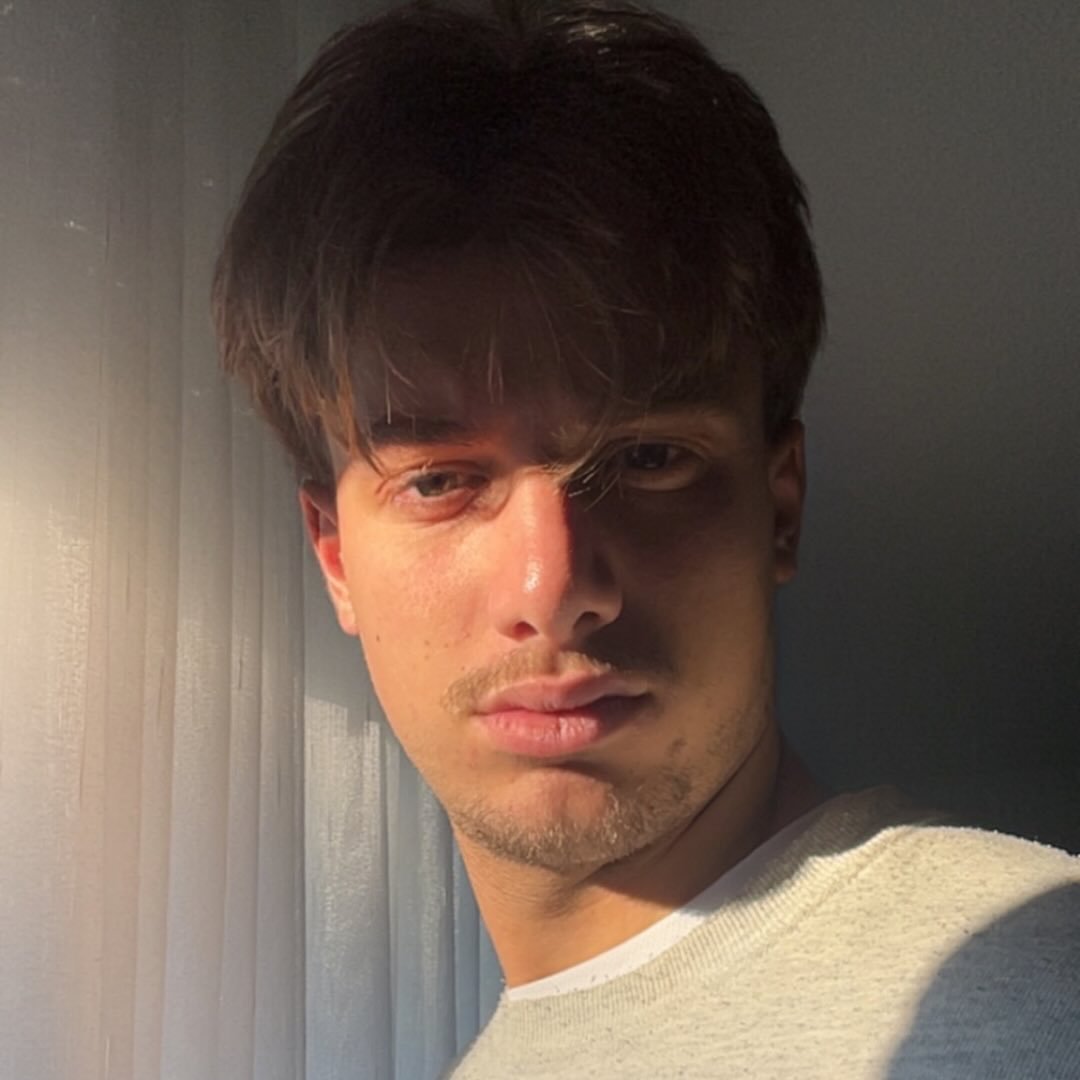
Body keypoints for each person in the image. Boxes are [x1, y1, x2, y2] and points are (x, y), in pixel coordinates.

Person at [212, 1, 1080, 1075]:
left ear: (780, 506)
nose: (553, 585)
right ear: (336, 559)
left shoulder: (1038, 991)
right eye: (438, 480)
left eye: (647, 458)